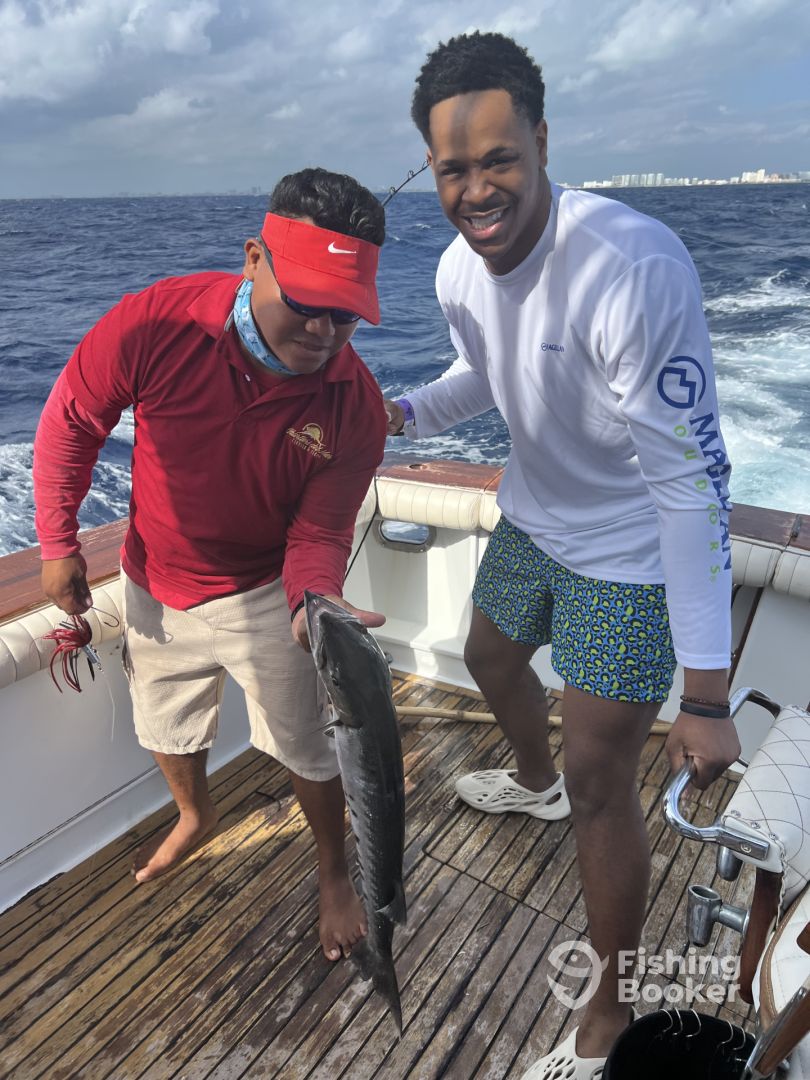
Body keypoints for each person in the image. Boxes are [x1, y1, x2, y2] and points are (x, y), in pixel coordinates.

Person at [384, 32, 740, 1079]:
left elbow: (693, 487)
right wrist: (399, 414)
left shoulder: (633, 268)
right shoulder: (457, 268)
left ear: (543, 141)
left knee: (601, 783)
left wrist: (707, 697)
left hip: (631, 554)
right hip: (535, 519)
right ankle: (531, 779)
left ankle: (607, 1019)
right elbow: (486, 374)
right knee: (488, 657)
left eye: (500, 158)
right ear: (431, 168)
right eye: (454, 168)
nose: (477, 190)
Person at [34, 167, 388, 963]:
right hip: (153, 577)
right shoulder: (155, 322)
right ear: (254, 258)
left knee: (307, 745)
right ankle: (195, 814)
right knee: (164, 719)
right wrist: (57, 541)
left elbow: (319, 533)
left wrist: (315, 601)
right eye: (307, 300)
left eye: (346, 313)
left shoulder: (355, 407)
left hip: (265, 591)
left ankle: (334, 871)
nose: (324, 331)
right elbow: (72, 419)